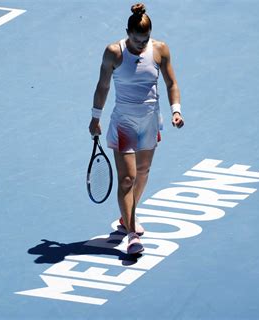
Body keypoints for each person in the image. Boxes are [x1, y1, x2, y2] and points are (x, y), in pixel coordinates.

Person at [88, 3, 184, 254]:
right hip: (124, 123)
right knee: (128, 178)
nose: (142, 45)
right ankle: (132, 234)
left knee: (143, 170)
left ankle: (127, 216)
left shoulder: (160, 49)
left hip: (150, 120)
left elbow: (171, 82)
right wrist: (95, 117)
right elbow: (103, 87)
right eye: (138, 40)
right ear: (127, 33)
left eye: (146, 40)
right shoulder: (114, 53)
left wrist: (176, 110)